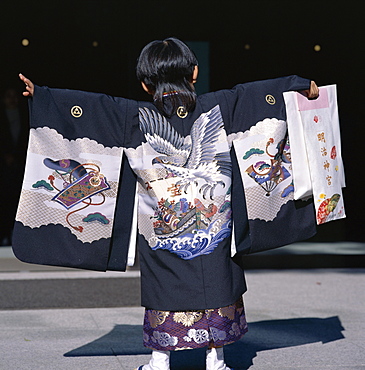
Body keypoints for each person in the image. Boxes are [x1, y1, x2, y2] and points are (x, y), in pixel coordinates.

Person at [18, 37, 318, 370]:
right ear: (194, 72)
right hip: (214, 220)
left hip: (162, 224)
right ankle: (215, 360)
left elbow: (91, 109)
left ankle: (160, 360)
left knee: (164, 283)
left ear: (146, 84)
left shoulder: (133, 115)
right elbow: (259, 95)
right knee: (217, 276)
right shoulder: (221, 105)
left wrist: (45, 98)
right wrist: (299, 85)